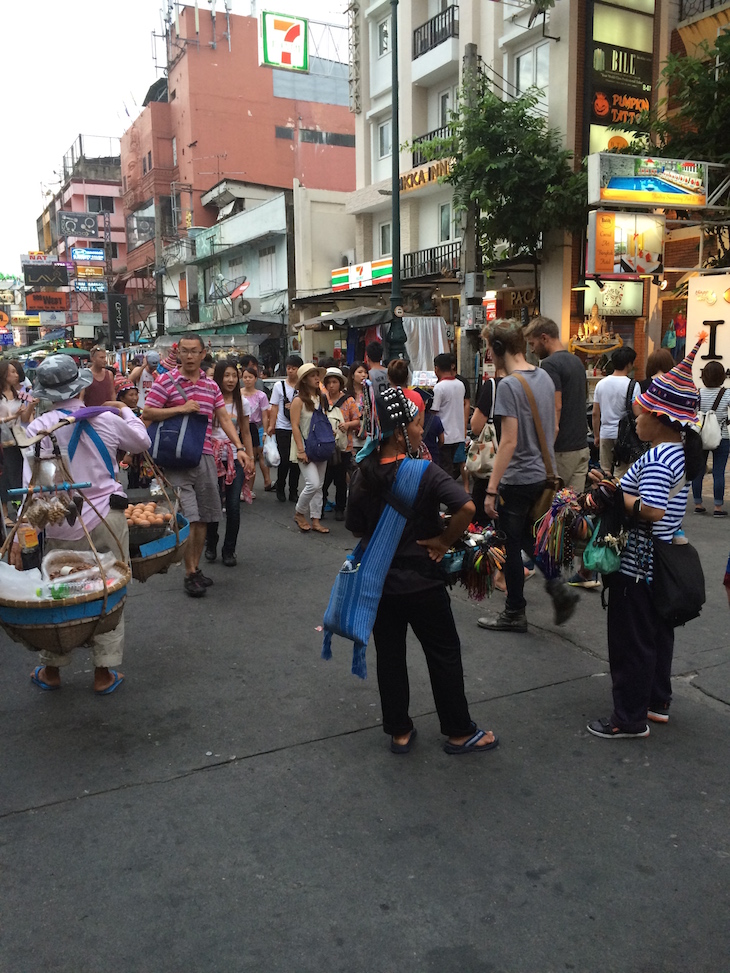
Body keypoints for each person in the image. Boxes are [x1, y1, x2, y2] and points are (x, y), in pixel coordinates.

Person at [346, 386, 499, 755]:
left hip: (380, 583)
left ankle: (399, 730)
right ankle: (459, 731)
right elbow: (466, 508)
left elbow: (355, 527)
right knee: (443, 652)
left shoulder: (363, 473)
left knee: (391, 656)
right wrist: (444, 541)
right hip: (423, 582)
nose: (420, 430)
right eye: (416, 424)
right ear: (400, 432)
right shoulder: (424, 471)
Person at [587, 338, 705, 738]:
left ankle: (628, 718)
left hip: (637, 565)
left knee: (631, 642)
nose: (635, 418)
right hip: (659, 563)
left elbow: (651, 512)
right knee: (656, 636)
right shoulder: (676, 454)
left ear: (662, 418)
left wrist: (614, 493)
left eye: (642, 412)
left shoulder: (657, 458)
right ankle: (656, 701)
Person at [23, 355, 151, 694]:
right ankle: (103, 673)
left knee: (61, 595)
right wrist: (125, 412)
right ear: (80, 386)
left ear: (46, 393)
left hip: (60, 522)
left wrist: (31, 531)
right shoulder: (106, 418)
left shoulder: (38, 428)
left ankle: (52, 670)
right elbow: (141, 443)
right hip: (106, 518)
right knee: (109, 593)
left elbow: (31, 486)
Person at [476, 320, 579, 632]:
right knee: (527, 540)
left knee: (510, 546)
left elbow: (508, 441)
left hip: (517, 478)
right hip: (543, 476)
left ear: (497, 348)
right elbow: (554, 426)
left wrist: (491, 489)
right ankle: (557, 587)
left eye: (488, 349)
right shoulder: (544, 377)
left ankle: (514, 611)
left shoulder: (509, 386)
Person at [142, 334, 254, 598]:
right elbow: (147, 413)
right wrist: (180, 409)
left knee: (205, 516)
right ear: (178, 353)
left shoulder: (210, 386)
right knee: (191, 517)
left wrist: (239, 447)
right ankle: (189, 572)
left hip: (205, 457)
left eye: (194, 351)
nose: (189, 356)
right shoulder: (165, 381)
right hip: (177, 459)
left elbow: (224, 418)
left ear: (204, 354)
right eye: (185, 351)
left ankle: (195, 568)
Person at [525, 315, 596, 588]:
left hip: (562, 449)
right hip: (580, 445)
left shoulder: (550, 364)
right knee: (575, 509)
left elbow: (554, 407)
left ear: (545, 338)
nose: (532, 349)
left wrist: (547, 446)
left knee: (546, 508)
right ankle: (586, 568)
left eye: (533, 343)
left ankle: (534, 561)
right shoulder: (576, 362)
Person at [205, 361, 254, 566]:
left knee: (233, 505)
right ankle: (211, 542)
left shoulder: (243, 402)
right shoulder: (210, 401)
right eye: (226, 375)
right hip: (212, 457)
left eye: (234, 375)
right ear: (218, 377)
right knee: (213, 504)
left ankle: (229, 549)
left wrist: (250, 458)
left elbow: (246, 432)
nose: (231, 380)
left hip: (236, 457)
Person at [290, 363, 330, 534]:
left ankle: (315, 519)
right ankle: (299, 512)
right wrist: (300, 449)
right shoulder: (298, 401)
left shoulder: (321, 398)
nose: (316, 378)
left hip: (320, 445)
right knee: (312, 483)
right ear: (304, 380)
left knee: (319, 485)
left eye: (317, 375)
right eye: (312, 375)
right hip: (304, 447)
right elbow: (295, 426)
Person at [691, 360, 730, 516]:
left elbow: (692, 413)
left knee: (698, 470)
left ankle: (698, 504)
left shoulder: (698, 393)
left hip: (700, 436)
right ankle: (718, 507)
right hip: (722, 436)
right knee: (718, 472)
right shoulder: (727, 393)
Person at [592, 346, 638, 475]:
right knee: (621, 470)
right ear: (629, 364)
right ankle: (617, 494)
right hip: (624, 435)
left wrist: (596, 435)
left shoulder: (601, 384)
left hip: (605, 433)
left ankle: (604, 493)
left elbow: (596, 413)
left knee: (605, 470)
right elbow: (636, 411)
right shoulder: (632, 385)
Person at [322, 367, 360, 521]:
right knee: (323, 480)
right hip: (325, 445)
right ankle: (320, 507)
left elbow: (358, 420)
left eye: (334, 382)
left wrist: (348, 425)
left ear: (340, 383)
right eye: (329, 382)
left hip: (344, 446)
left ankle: (340, 508)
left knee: (340, 480)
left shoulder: (349, 400)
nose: (331, 385)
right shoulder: (322, 399)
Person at [0, 360, 36, 521]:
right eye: (12, 372)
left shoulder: (19, 394)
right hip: (3, 440)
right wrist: (12, 416)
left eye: (16, 372)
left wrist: (31, 406)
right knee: (5, 473)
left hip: (18, 439)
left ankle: (20, 508)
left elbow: (26, 418)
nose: (16, 375)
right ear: (4, 374)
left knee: (19, 472)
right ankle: (5, 513)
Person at [268, 354, 302, 503]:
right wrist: (272, 425)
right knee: (284, 460)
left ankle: (293, 491)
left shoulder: (304, 386)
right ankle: (280, 487)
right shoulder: (278, 386)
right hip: (283, 427)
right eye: (288, 368)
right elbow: (274, 407)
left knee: (296, 462)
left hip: (300, 428)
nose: (290, 371)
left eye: (294, 368)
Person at [431, 352, 465, 478]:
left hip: (444, 435)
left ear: (437, 368)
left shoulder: (439, 388)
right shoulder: (460, 384)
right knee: (451, 467)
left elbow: (434, 411)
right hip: (458, 434)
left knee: (444, 469)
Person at [241, 365, 273, 493]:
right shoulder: (238, 394)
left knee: (255, 456)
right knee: (244, 458)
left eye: (250, 377)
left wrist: (265, 432)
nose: (247, 380)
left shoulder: (261, 395)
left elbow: (265, 415)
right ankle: (242, 488)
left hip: (256, 427)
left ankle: (250, 488)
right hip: (241, 427)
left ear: (256, 379)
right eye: (245, 377)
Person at [387, 358, 424, 424]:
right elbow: (421, 423)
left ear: (389, 378)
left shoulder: (386, 398)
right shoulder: (417, 396)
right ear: (407, 377)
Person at [346, 360, 368, 453]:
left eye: (365, 372)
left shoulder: (369, 393)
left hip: (367, 439)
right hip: (351, 438)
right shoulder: (346, 394)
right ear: (352, 375)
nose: (363, 375)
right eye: (360, 372)